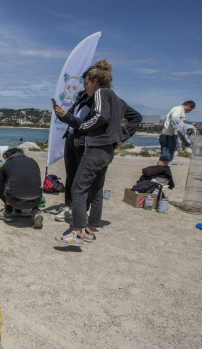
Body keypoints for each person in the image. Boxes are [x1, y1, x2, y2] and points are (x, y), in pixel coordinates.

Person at [55, 60, 141, 246]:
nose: (84, 86)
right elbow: (136, 117)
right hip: (107, 150)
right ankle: (90, 230)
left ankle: (77, 232)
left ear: (94, 81)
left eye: (85, 82)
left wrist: (84, 127)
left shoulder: (101, 92)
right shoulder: (116, 98)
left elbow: (101, 116)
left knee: (78, 188)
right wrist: (121, 136)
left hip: (96, 148)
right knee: (96, 190)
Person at [52, 67, 94, 222]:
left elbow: (87, 124)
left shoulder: (98, 100)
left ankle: (83, 208)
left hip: (82, 141)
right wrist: (61, 114)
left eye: (86, 82)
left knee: (81, 177)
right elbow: (71, 118)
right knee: (70, 176)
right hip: (70, 138)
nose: (84, 85)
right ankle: (68, 207)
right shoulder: (82, 96)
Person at [0, 148, 44, 229]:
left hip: (14, 200)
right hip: (35, 200)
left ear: (7, 156)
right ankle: (36, 211)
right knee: (32, 184)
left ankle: (8, 213)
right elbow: (38, 182)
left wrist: (8, 203)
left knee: (8, 183)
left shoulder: (7, 164)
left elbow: (0, 189)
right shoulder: (33, 161)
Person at [157, 101, 196, 166]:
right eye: (190, 109)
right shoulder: (179, 109)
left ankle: (161, 172)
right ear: (188, 106)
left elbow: (164, 120)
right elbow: (175, 119)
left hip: (168, 135)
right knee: (165, 157)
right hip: (168, 136)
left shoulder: (175, 109)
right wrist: (185, 127)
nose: (189, 111)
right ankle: (158, 173)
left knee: (167, 157)